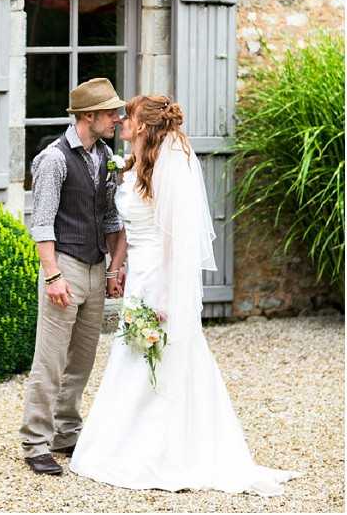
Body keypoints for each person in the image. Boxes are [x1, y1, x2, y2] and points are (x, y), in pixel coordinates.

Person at [70, 95, 300, 496]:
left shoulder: (168, 169)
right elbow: (129, 230)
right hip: (138, 274)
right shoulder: (135, 165)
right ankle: (123, 441)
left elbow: (175, 243)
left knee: (159, 356)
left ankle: (164, 449)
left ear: (143, 126)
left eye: (130, 115)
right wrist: (120, 268)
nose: (121, 119)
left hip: (158, 280)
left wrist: (164, 298)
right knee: (131, 359)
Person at [19, 77, 128, 475]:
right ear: (87, 116)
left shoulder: (104, 155)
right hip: (64, 266)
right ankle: (35, 443)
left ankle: (66, 433)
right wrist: (52, 277)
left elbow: (112, 216)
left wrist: (115, 268)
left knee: (81, 360)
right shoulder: (54, 159)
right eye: (111, 113)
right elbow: (42, 224)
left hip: (97, 268)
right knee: (49, 360)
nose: (118, 118)